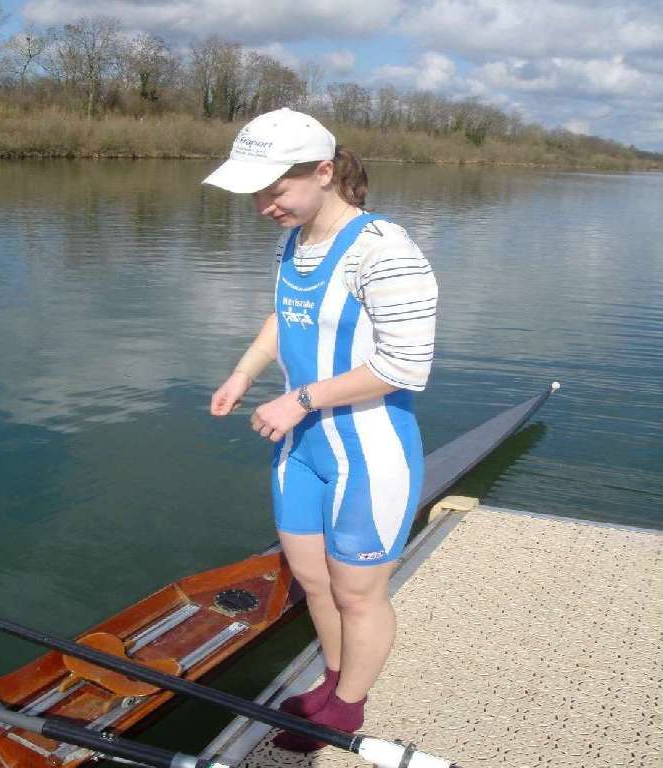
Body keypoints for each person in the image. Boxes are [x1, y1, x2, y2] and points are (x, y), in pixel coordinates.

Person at [206, 108, 437, 752]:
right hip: (301, 449)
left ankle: (347, 710)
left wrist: (301, 399)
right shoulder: (294, 240)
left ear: (324, 172)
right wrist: (243, 374)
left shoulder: (385, 251)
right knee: (314, 583)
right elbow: (283, 316)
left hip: (369, 454)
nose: (263, 207)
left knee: (358, 596)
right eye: (256, 194)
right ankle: (333, 682)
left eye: (275, 190)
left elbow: (405, 366)